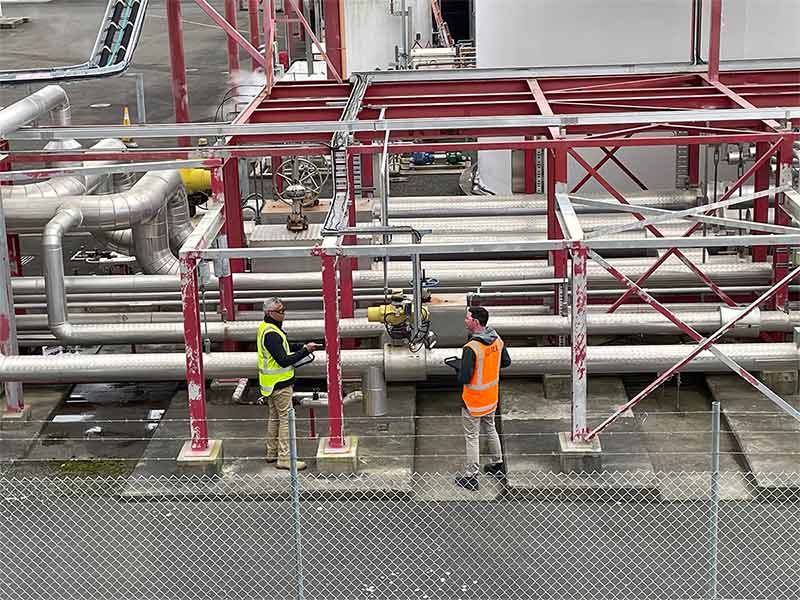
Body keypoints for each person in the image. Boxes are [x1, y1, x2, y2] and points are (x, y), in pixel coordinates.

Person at [257, 297, 319, 471]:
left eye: (284, 310)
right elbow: (284, 360)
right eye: (280, 311)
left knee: (275, 417)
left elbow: (282, 349)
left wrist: (303, 346)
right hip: (280, 384)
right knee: (286, 419)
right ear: (270, 313)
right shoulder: (272, 333)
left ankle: (272, 452)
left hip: (270, 384)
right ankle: (284, 458)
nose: (284, 314)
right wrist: (304, 351)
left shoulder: (265, 328)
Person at [454, 306, 511, 491]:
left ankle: (471, 477)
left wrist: (459, 368)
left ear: (475, 322)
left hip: (473, 401)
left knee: (472, 436)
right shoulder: (496, 339)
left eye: (467, 318)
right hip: (491, 397)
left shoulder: (471, 348)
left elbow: (465, 378)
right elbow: (506, 362)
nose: (465, 320)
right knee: (491, 428)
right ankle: (497, 464)